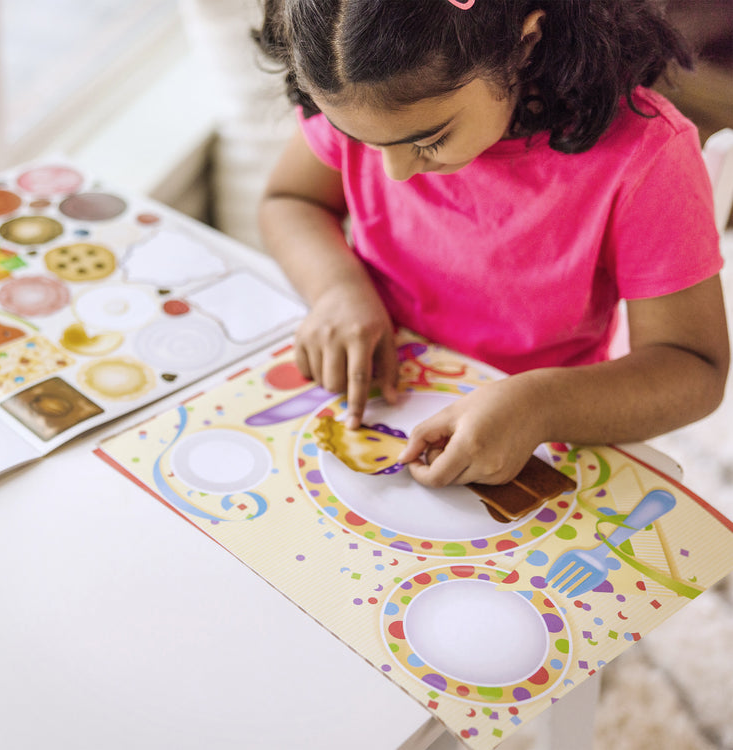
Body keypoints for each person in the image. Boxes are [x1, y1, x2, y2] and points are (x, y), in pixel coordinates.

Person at [253, 0, 729, 490]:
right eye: (365, 142)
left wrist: (539, 407)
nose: (395, 172)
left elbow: (695, 369)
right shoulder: (363, 94)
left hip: (547, 433)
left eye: (430, 140)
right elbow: (291, 200)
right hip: (383, 392)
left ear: (523, 45)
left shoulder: (644, 159)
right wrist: (336, 290)